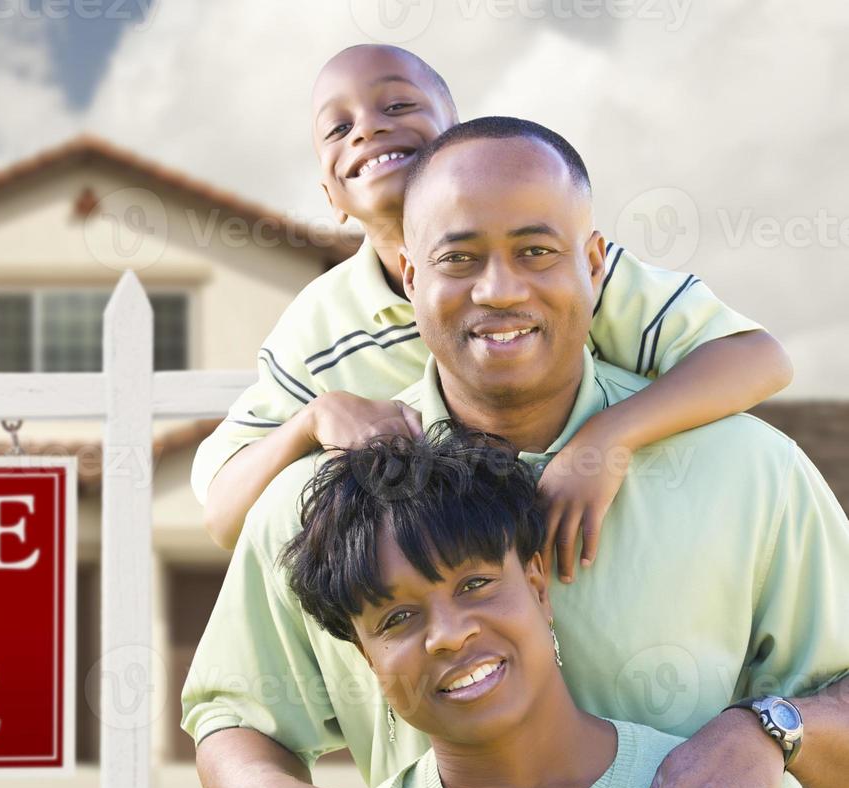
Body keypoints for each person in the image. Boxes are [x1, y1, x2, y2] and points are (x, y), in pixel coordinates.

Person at [181, 116, 849, 788]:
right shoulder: (320, 506)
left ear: (593, 263)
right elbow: (232, 714)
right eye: (458, 258)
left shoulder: (749, 472)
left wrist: (764, 734)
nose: (498, 289)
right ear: (407, 270)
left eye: (536, 251)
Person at [194, 44, 792, 592]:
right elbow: (224, 515)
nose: (369, 128)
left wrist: (607, 438)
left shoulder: (565, 272)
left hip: (613, 557)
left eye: (398, 104)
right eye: (339, 127)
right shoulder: (320, 328)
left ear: (459, 139)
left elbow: (758, 359)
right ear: (329, 193)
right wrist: (313, 419)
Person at [266, 427, 842, 788]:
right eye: (396, 618)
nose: (447, 634)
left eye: (474, 585)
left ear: (539, 588)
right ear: (369, 661)